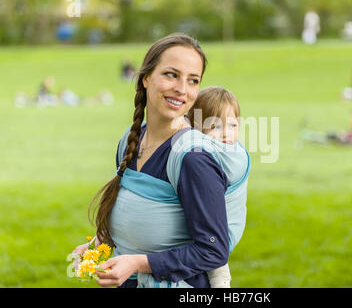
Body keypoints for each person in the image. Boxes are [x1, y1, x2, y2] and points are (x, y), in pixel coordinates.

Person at [71, 33, 250, 288]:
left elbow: (213, 251)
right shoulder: (131, 139)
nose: (182, 89)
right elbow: (133, 217)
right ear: (146, 77)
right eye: (171, 74)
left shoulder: (192, 158)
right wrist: (96, 246)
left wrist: (138, 263)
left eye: (193, 80)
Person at [186, 86, 249, 287]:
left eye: (232, 125)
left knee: (216, 267)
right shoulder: (205, 149)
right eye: (215, 126)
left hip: (223, 232)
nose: (226, 134)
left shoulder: (231, 155)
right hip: (213, 229)